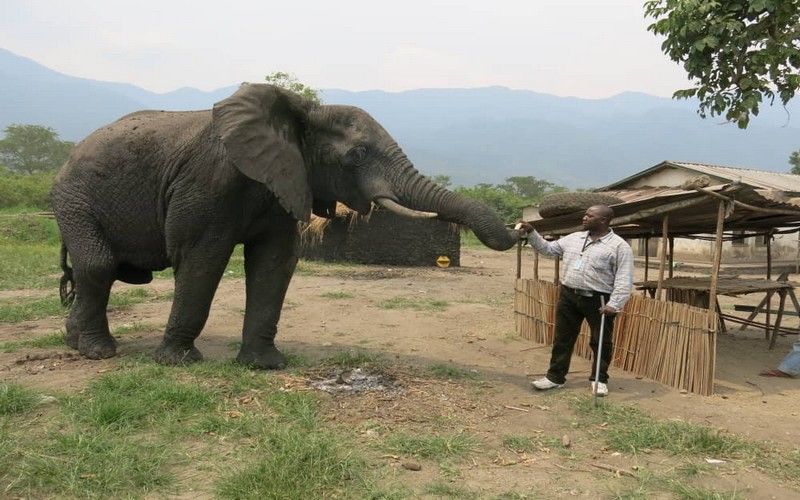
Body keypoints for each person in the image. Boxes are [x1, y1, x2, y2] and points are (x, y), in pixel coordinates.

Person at [516, 205, 633, 396]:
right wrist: (531, 231)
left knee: (600, 341)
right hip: (569, 295)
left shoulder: (619, 246)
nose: (584, 218)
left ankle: (599, 379)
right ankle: (554, 377)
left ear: (603, 220)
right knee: (563, 338)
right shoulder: (574, 238)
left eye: (590, 216)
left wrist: (615, 304)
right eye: (585, 215)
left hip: (599, 300)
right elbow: (548, 249)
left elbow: (624, 278)